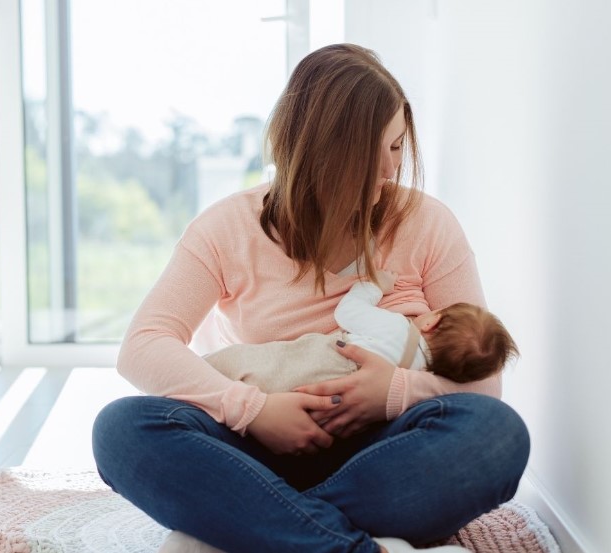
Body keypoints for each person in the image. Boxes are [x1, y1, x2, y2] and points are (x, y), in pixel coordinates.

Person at [92, 43, 530, 553]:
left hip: (380, 452)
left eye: (397, 148)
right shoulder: (225, 227)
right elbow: (143, 345)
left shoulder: (427, 224)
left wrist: (393, 391)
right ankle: (339, 542)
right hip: (248, 450)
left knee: (497, 435)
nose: (391, 171)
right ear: (323, 153)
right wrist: (254, 411)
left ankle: (248, 525)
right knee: (122, 429)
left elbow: (484, 385)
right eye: (377, 153)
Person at [204, 276, 519, 393]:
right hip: (332, 403)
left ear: (429, 323)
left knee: (246, 363)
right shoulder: (419, 375)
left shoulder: (397, 327)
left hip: (319, 362)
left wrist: (372, 286)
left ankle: (202, 371)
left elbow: (348, 312)